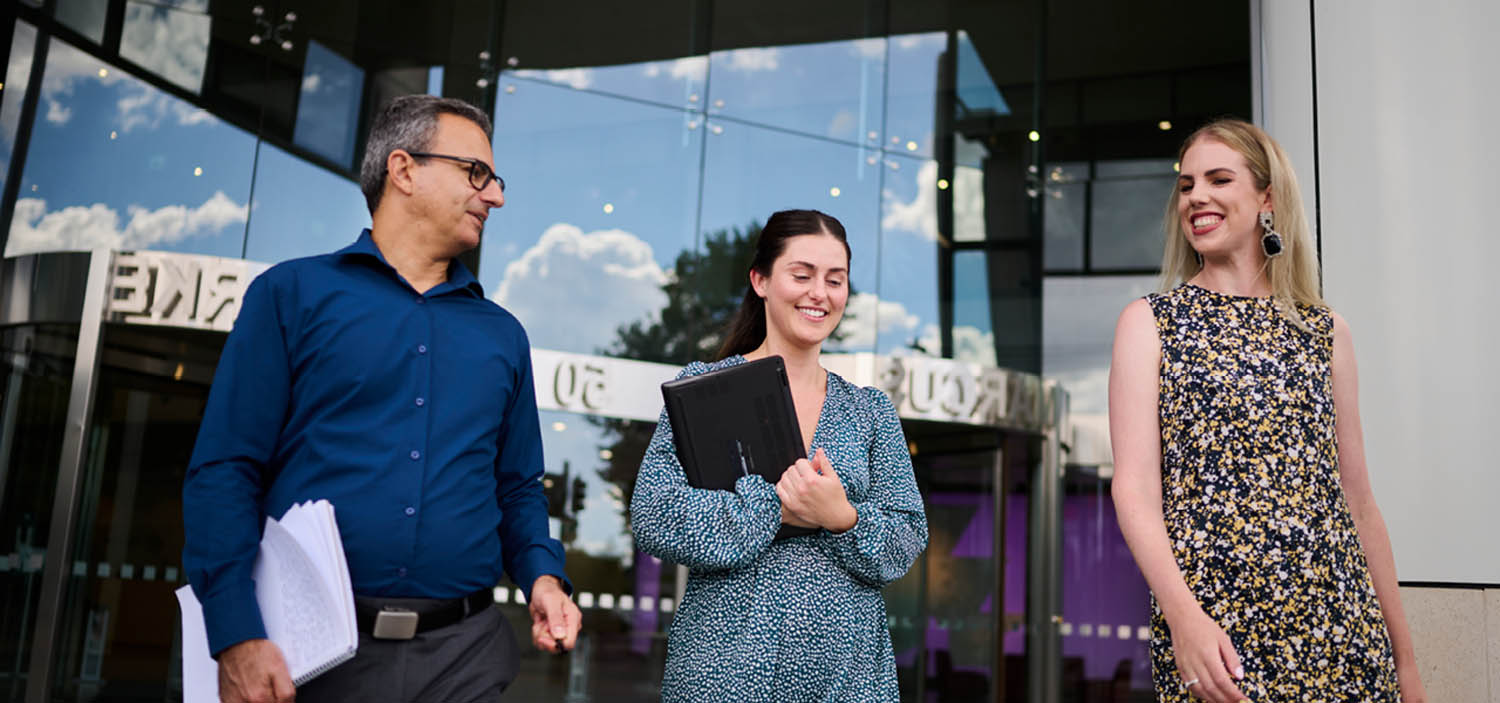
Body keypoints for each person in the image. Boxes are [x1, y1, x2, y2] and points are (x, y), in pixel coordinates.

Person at [182, 95, 582, 703]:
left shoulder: (503, 335)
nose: (494, 196)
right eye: (477, 174)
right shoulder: (291, 296)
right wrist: (235, 631)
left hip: (465, 660)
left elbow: (517, 486)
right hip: (307, 661)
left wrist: (544, 580)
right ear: (404, 170)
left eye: (494, 180)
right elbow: (225, 472)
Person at [1108, 119, 1427, 703]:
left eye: (1218, 179)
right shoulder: (1150, 323)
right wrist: (1184, 618)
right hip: (1219, 637)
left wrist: (1406, 665)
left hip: (1343, 633)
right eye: (1185, 185)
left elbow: (1358, 503)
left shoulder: (1326, 331)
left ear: (1267, 198)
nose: (1196, 196)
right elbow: (1133, 492)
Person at [630, 209, 928, 702]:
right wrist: (770, 507)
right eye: (802, 274)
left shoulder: (869, 410)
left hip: (847, 680)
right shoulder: (703, 391)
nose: (820, 293)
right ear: (761, 280)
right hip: (722, 673)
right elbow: (655, 514)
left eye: (836, 280)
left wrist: (843, 518)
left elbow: (907, 537)